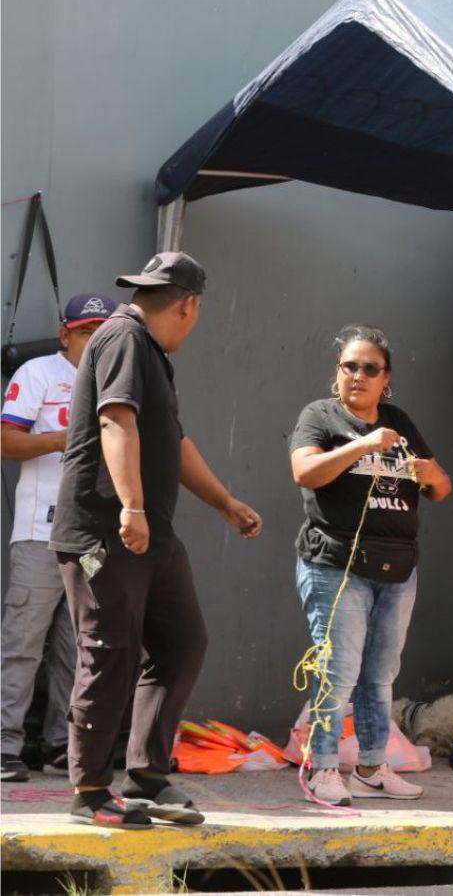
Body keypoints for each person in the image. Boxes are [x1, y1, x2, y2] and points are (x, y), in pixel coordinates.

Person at [49, 252, 262, 829]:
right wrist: (132, 507)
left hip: (151, 536)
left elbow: (176, 441)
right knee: (109, 651)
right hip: (105, 532)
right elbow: (115, 420)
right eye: (197, 313)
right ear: (190, 305)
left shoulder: (152, 355)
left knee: (181, 643)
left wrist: (223, 502)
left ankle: (145, 776)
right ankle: (90, 790)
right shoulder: (123, 337)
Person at [290, 324, 451, 806]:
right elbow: (304, 471)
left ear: (387, 379)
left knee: (380, 675)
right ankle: (321, 769)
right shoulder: (320, 415)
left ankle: (372, 766)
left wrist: (431, 474)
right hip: (337, 565)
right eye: (349, 367)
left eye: (369, 369)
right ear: (337, 373)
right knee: (337, 671)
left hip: (397, 570)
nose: (357, 376)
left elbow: (441, 488)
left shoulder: (399, 420)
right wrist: (361, 446)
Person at [1, 294, 116, 781]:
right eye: (88, 331)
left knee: (82, 644)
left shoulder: (119, 378)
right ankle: (5, 745)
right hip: (39, 533)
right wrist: (65, 440)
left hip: (93, 541)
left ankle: (60, 744)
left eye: (104, 332)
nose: (96, 341)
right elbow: (7, 440)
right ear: (66, 333)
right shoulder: (38, 374)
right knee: (23, 642)